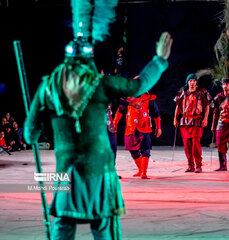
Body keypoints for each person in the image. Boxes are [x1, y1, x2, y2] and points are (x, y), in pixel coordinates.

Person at [24, 32, 172, 239]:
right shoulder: (101, 83)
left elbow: (30, 135)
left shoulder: (49, 85)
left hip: (67, 174)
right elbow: (139, 86)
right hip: (100, 174)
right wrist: (159, 60)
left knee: (63, 225)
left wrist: (34, 131)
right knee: (105, 228)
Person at [113, 91, 162, 179]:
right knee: (132, 150)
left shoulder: (148, 98)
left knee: (145, 150)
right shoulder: (127, 98)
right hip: (131, 127)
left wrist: (158, 127)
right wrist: (115, 123)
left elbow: (156, 113)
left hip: (144, 127)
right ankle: (140, 169)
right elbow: (120, 111)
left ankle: (144, 172)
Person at [174, 74, 211, 173]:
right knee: (187, 145)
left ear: (196, 82)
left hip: (196, 121)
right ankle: (190, 165)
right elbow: (178, 106)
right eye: (190, 80)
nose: (192, 82)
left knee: (195, 145)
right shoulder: (182, 92)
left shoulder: (202, 92)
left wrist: (205, 118)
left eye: (194, 80)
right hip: (185, 122)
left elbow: (207, 106)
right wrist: (175, 119)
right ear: (187, 82)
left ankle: (198, 165)